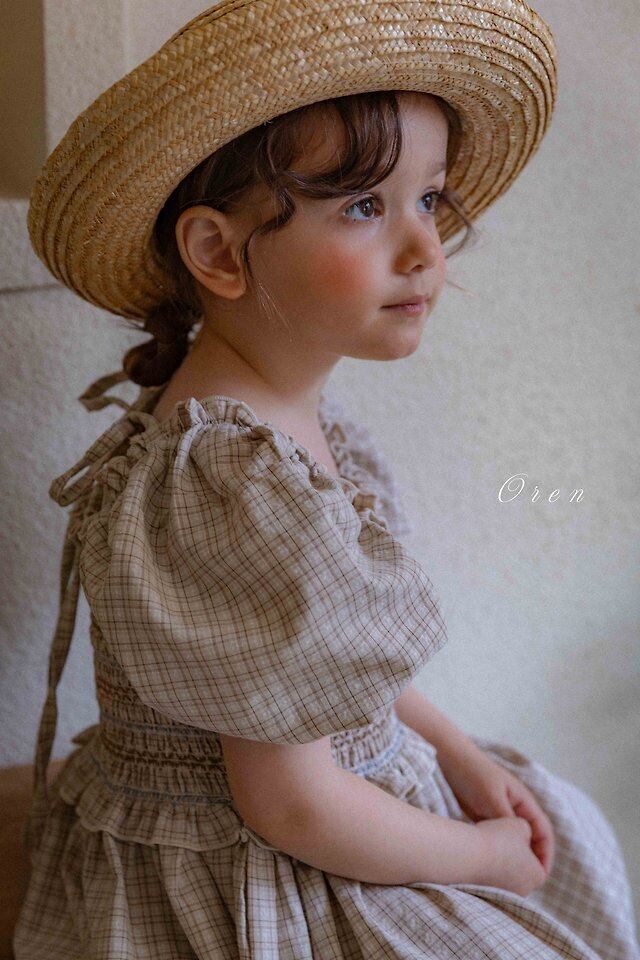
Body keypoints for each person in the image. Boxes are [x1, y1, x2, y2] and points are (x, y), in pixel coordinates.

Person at [13, 2, 640, 958]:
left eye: (429, 200)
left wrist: (455, 751)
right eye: (363, 207)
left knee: (568, 825)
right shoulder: (231, 483)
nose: (425, 249)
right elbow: (294, 807)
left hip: (331, 809)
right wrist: (481, 859)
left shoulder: (281, 426)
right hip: (259, 873)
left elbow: (323, 673)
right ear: (218, 252)